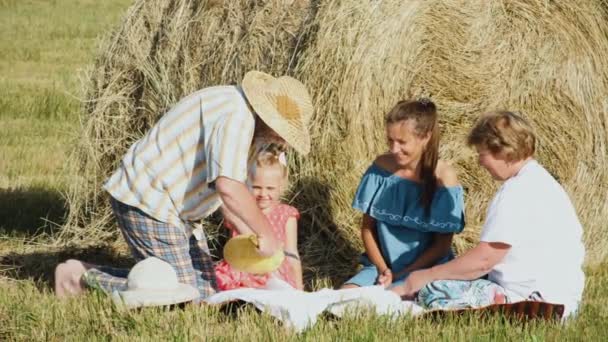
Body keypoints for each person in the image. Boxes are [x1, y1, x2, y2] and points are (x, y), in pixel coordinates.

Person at [54, 71, 313, 301]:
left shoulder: (251, 127)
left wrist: (253, 240)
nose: (283, 142)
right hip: (151, 200)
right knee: (185, 296)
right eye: (283, 132)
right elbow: (229, 186)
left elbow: (230, 198)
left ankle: (94, 273)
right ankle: (81, 277)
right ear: (269, 118)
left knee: (209, 294)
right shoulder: (237, 117)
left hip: (181, 214)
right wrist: (266, 232)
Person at [391, 111, 586, 319]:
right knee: (450, 279)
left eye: (481, 154)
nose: (479, 163)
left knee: (432, 290)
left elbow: (484, 260)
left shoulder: (515, 192)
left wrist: (425, 276)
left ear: (502, 151)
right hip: (563, 298)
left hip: (531, 300)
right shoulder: (543, 182)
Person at [340, 99, 465, 289]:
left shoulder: (444, 177)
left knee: (402, 305)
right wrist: (384, 269)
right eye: (390, 140)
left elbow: (441, 246)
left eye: (402, 142)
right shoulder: (381, 169)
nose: (393, 149)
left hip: (426, 270)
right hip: (382, 268)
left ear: (425, 137)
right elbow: (367, 228)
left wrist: (404, 274)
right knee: (345, 297)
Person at [214, 145, 304, 290]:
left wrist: (299, 288)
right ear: (246, 186)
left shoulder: (286, 214)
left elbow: (292, 253)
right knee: (220, 280)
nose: (263, 193)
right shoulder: (240, 211)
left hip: (273, 271)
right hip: (242, 268)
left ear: (281, 187)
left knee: (275, 287)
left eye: (270, 188)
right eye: (256, 187)